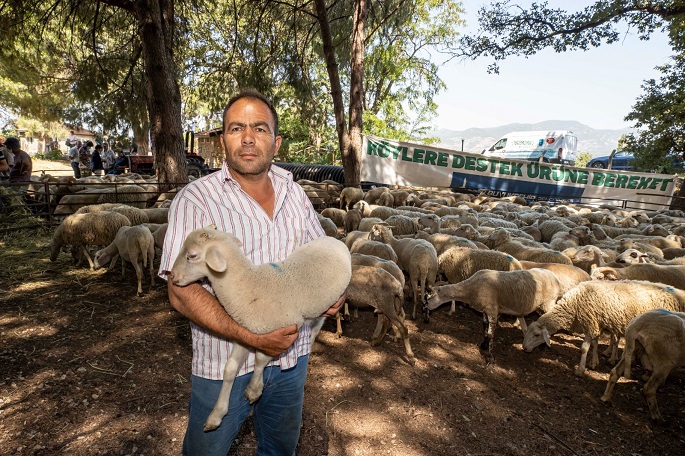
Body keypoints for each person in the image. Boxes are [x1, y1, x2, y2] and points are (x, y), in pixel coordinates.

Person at [159, 88, 345, 455]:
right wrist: (252, 335)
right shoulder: (196, 201)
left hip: (293, 358)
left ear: (276, 143)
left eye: (259, 129)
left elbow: (319, 252)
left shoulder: (295, 195)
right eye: (236, 128)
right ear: (223, 139)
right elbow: (180, 291)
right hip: (223, 361)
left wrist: (335, 290)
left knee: (279, 449)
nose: (247, 138)